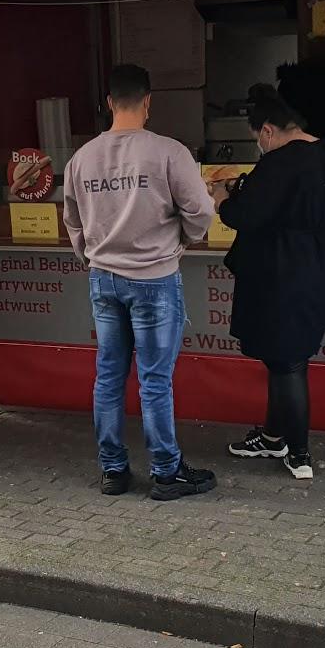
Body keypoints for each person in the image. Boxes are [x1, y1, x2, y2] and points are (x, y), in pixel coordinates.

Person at [63, 64, 217, 500]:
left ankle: (113, 471)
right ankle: (166, 473)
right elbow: (201, 212)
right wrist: (184, 240)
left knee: (108, 377)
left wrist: (93, 256)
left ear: (109, 103)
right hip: (154, 279)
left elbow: (72, 222)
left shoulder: (81, 158)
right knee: (154, 380)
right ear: (148, 102)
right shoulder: (169, 152)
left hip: (103, 280)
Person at [209, 85, 325, 479]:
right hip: (317, 261)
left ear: (267, 131)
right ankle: (271, 437)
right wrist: (241, 188)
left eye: (257, 139)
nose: (260, 147)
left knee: (287, 361)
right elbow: (279, 198)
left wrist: (220, 198)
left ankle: (298, 453)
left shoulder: (279, 161)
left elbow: (244, 215)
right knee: (284, 356)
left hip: (281, 269)